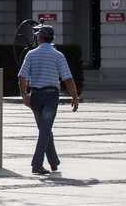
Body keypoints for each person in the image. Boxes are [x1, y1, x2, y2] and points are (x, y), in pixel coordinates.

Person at [17, 25, 78, 175]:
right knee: (45, 129)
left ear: (41, 38)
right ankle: (37, 164)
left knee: (44, 129)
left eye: (38, 36)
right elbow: (68, 79)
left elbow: (21, 76)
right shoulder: (58, 56)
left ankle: (53, 162)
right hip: (51, 95)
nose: (37, 38)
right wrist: (75, 97)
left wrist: (24, 94)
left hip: (36, 96)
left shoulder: (31, 54)